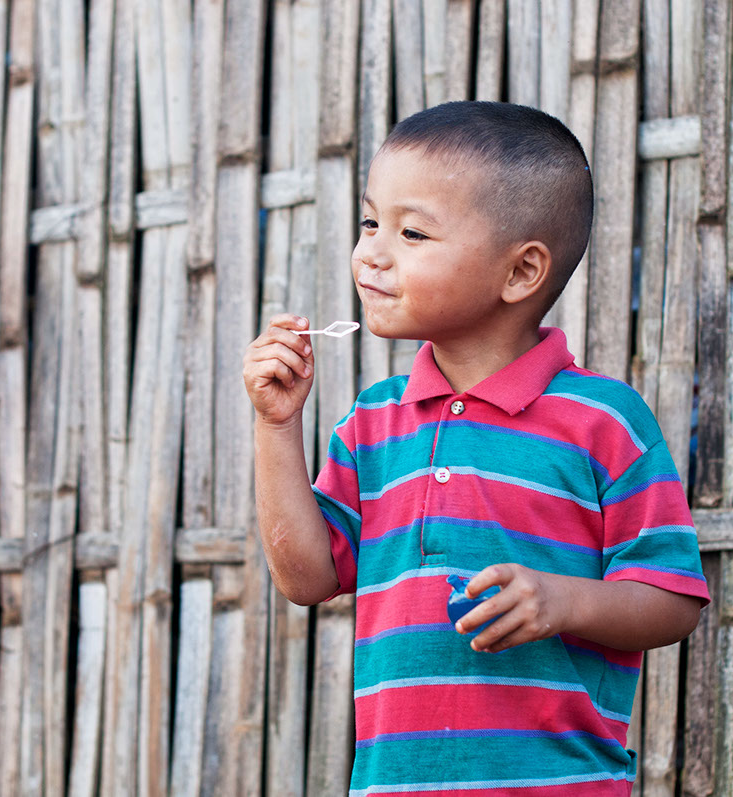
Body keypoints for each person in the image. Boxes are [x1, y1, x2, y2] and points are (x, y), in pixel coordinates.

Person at [242, 101, 709, 795]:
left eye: (412, 233)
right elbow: (306, 578)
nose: (371, 251)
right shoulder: (373, 424)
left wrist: (563, 601)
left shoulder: (604, 422)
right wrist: (277, 427)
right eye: (371, 222)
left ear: (520, 273)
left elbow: (673, 599)